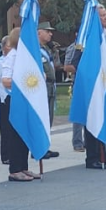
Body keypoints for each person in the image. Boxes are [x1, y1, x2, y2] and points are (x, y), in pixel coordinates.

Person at [68, 4, 106, 168]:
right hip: (92, 87)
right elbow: (76, 63)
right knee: (93, 120)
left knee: (105, 118)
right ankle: (92, 157)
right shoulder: (86, 37)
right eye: (101, 16)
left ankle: (105, 154)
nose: (105, 18)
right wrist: (92, 79)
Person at [0, 28, 37, 180]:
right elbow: (6, 80)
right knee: (15, 134)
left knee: (24, 133)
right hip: (13, 99)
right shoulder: (12, 56)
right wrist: (26, 82)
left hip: (25, 99)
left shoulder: (26, 56)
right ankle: (15, 169)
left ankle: (23, 166)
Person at [37, 22, 61, 159]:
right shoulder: (35, 49)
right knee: (42, 117)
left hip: (51, 86)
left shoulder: (46, 49)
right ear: (39, 32)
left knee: (48, 118)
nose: (50, 34)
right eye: (47, 31)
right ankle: (40, 147)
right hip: (42, 86)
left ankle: (45, 145)